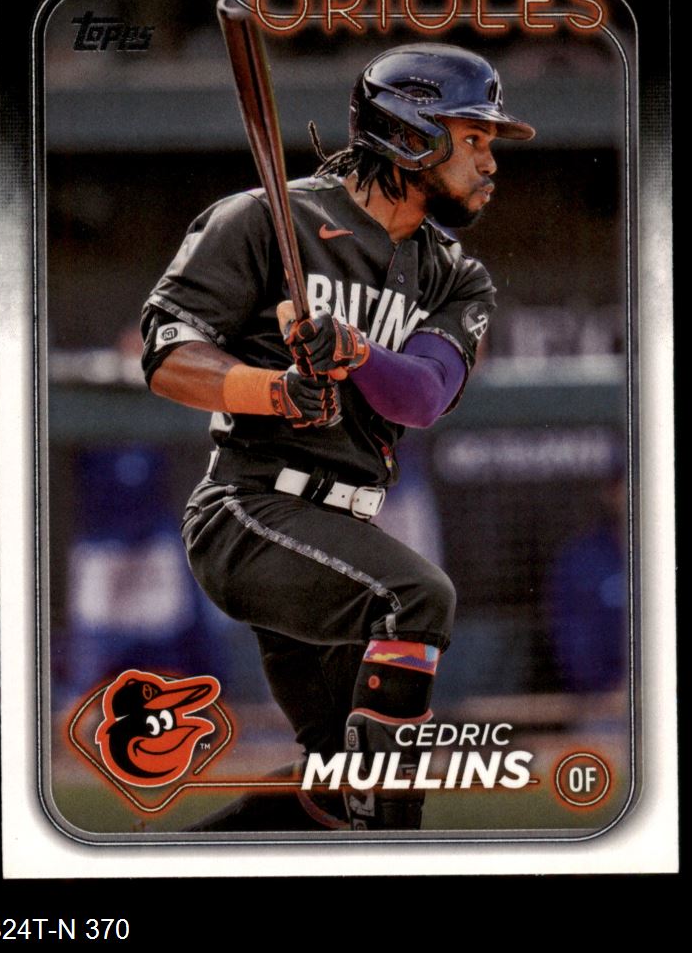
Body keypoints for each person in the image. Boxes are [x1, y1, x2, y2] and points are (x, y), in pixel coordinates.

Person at [140, 43, 534, 832]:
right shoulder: (264, 218)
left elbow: (423, 395)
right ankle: (393, 848)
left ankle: (174, 863)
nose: (489, 162)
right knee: (415, 598)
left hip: (341, 531)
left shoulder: (455, 274)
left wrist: (354, 352)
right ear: (411, 135)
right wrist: (274, 390)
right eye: (472, 138)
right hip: (249, 511)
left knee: (334, 787)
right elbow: (167, 355)